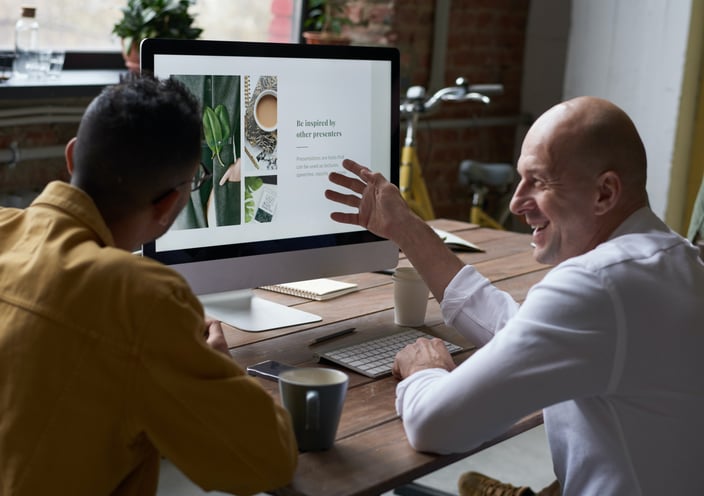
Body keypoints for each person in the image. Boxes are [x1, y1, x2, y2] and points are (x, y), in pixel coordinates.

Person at [326, 96, 704, 495]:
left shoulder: (597, 285)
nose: (516, 202)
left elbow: (434, 425)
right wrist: (403, 226)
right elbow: (525, 332)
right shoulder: (675, 261)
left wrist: (425, 371)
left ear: (605, 193)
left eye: (538, 181)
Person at [0, 74, 297, 495]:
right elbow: (268, 462)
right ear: (170, 204)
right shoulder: (141, 299)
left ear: (71, 156)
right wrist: (222, 367)